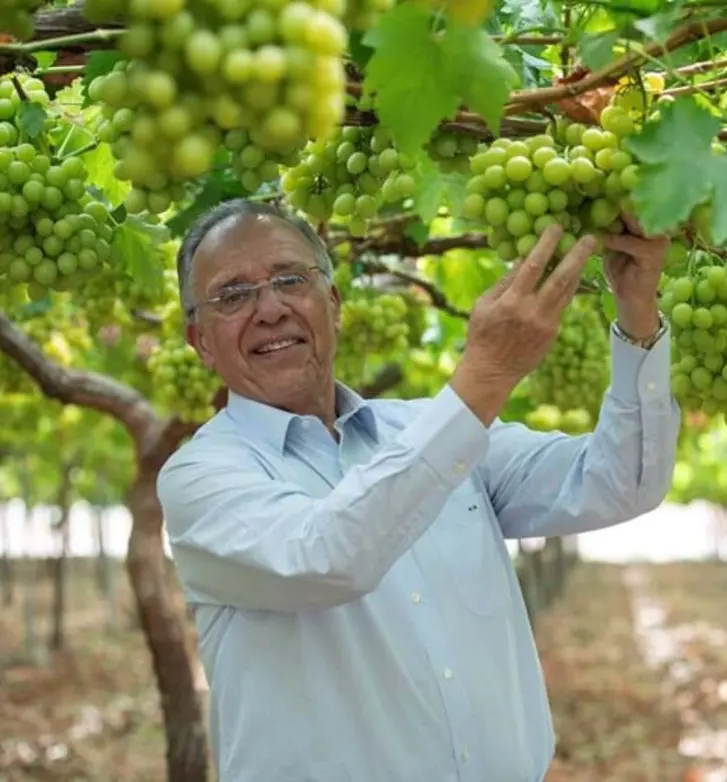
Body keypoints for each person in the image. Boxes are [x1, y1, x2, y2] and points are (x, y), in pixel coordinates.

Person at [156, 197, 681, 782]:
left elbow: (621, 480)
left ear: (333, 304)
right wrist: (485, 377)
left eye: (289, 279)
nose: (270, 308)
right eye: (233, 295)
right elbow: (325, 558)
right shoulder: (201, 477)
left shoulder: (428, 429)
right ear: (199, 340)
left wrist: (638, 312)